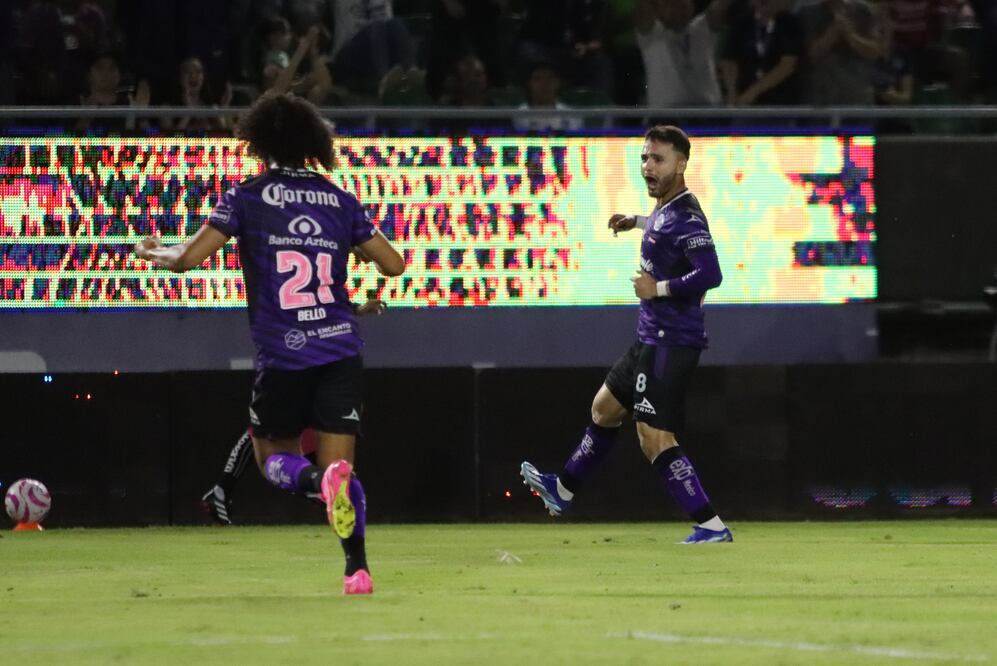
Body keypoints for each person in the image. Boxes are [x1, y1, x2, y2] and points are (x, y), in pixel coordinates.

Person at [134, 92, 405, 594]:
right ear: (313, 143)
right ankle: (357, 570)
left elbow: (187, 259)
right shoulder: (340, 200)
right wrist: (354, 262)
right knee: (341, 469)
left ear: (258, 142)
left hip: (284, 353)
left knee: (272, 458)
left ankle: (316, 484)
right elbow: (394, 264)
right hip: (341, 350)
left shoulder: (247, 196)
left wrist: (150, 251)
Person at [520, 125, 732, 544]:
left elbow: (711, 274)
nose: (648, 166)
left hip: (672, 341)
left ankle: (711, 526)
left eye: (658, 159)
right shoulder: (667, 209)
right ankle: (562, 491)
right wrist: (635, 221)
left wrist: (659, 289)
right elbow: (664, 229)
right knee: (604, 409)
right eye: (645, 158)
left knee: (654, 438)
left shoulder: (687, 216)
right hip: (649, 336)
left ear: (681, 164)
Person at [201, 300, 386, 525]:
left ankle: (318, 485)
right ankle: (319, 486)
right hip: (296, 353)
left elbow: (315, 294)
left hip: (307, 352)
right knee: (270, 436)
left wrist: (353, 308)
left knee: (276, 439)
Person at [634, 0, 734, 108]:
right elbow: (644, 7)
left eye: (684, 5)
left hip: (707, 109)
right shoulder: (652, 34)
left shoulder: (701, 27)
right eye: (673, 5)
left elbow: (719, 7)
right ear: (661, 9)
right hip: (665, 112)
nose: (680, 10)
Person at [720, 0, 803, 106]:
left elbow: (788, 65)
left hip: (780, 101)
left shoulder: (789, 23)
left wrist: (754, 91)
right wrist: (732, 91)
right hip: (743, 101)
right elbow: (729, 60)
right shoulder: (741, 23)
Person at [799, 0, 882, 105]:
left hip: (859, 98)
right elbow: (810, 57)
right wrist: (833, 31)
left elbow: (874, 52)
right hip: (820, 100)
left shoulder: (865, 10)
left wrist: (849, 35)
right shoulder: (808, 12)